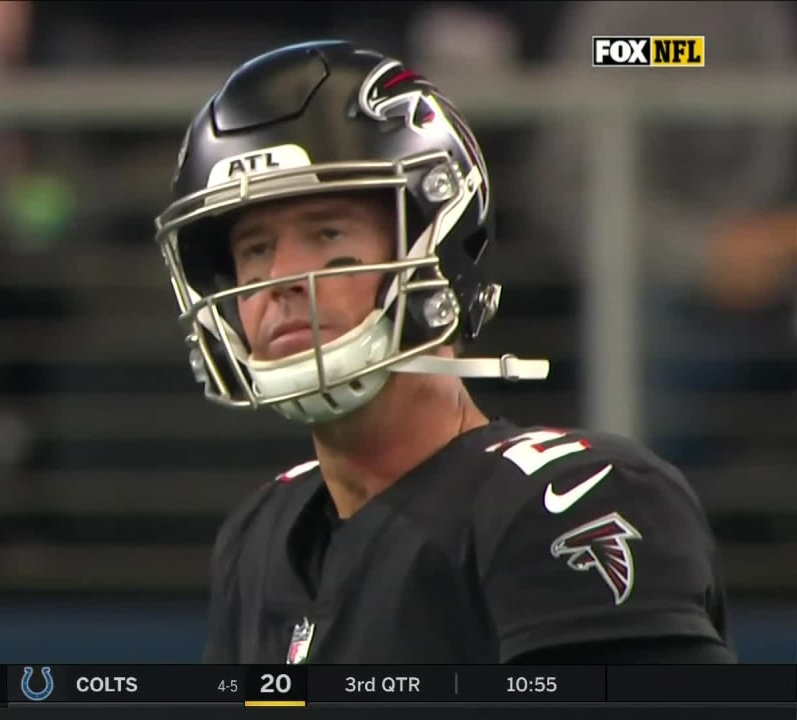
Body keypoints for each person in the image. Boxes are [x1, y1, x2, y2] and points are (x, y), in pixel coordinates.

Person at [154, 41, 735, 664]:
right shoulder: (261, 534)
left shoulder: (568, 500)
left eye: (327, 233)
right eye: (255, 249)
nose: (283, 278)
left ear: (439, 248)